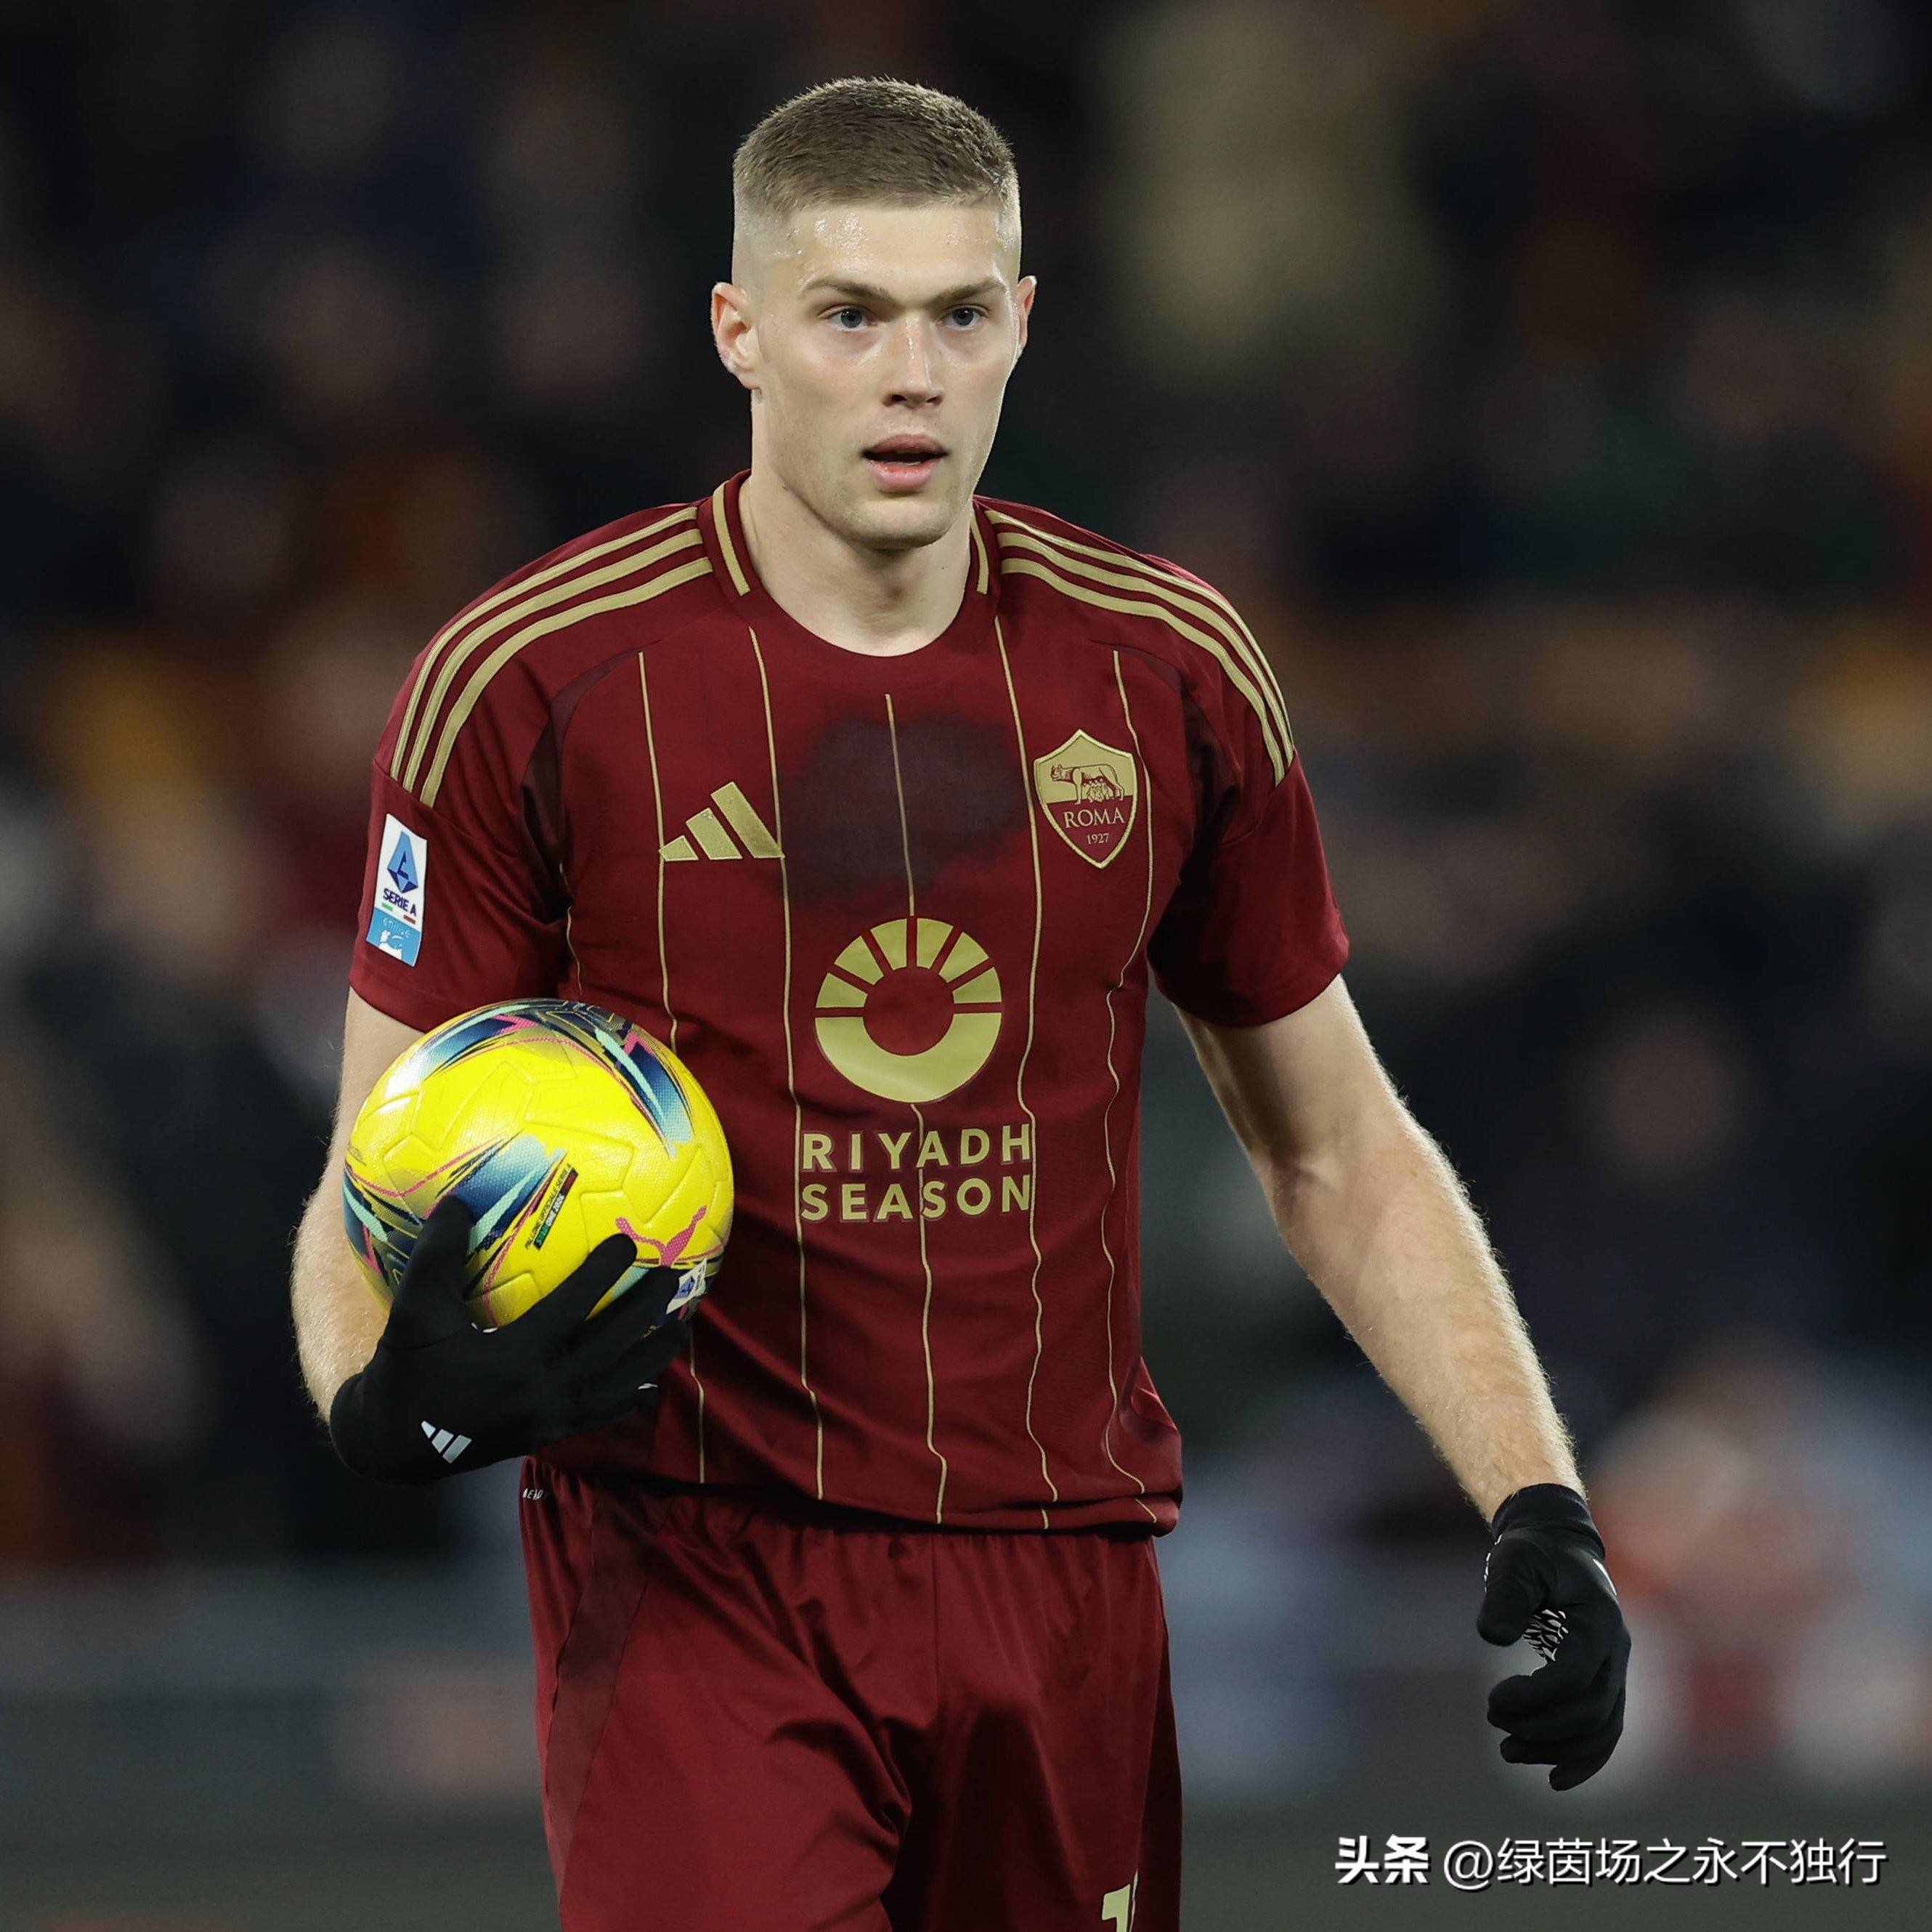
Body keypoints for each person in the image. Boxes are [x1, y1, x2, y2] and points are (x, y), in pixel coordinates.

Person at [290, 77, 1628, 1932]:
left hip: (1066, 1582)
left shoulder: (1167, 667)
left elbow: (1338, 1150)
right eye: (849, 314)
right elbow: (364, 1178)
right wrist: (379, 1400)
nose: (909, 376)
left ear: (1022, 321)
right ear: (739, 330)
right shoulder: (527, 681)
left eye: (958, 314)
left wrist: (1538, 1499)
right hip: (696, 1577)